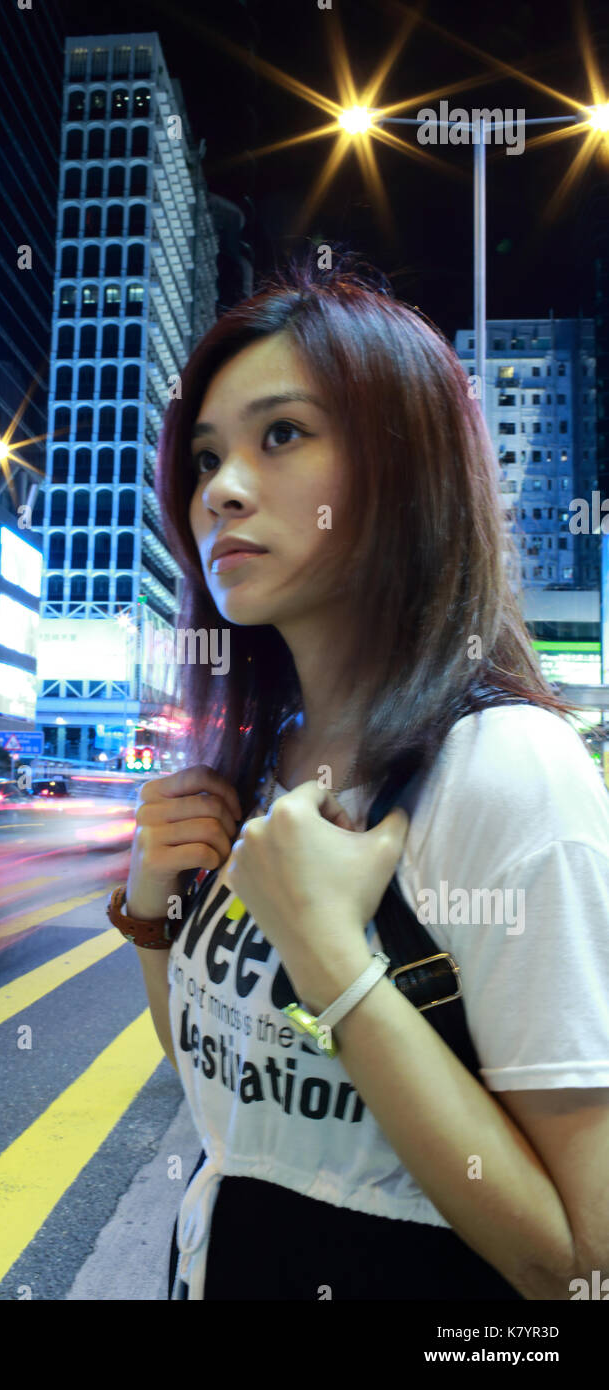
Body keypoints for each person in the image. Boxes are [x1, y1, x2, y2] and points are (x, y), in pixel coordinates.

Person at [108, 251, 609, 1301]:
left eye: (279, 435)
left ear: (401, 463)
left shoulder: (505, 772)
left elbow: (579, 1268)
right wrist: (154, 915)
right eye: (204, 459)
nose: (221, 491)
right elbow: (227, 1090)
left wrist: (336, 962)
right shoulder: (264, 758)